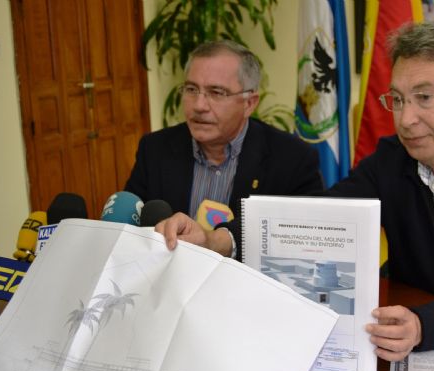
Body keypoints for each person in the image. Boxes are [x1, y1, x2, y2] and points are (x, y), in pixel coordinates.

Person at [155, 21, 434, 371]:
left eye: (424, 98)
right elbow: (316, 214)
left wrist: (422, 326)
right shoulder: (393, 159)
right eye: (398, 100)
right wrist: (219, 238)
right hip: (417, 342)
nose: (405, 119)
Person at [125, 40, 323, 258]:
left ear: (249, 103)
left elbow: (303, 235)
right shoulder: (155, 149)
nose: (199, 105)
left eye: (217, 92)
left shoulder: (292, 158)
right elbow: (129, 227)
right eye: (191, 89)